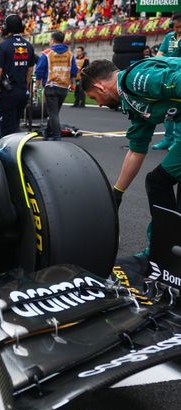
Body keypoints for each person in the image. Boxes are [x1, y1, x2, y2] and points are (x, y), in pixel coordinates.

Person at [81, 57, 181, 254]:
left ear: (100, 87)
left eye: (93, 98)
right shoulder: (131, 101)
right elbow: (136, 150)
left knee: (158, 182)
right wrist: (117, 193)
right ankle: (167, 249)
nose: (98, 104)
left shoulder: (135, 79)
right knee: (160, 181)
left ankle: (161, 249)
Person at [0, 14, 36, 137]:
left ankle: (8, 154)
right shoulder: (29, 46)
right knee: (15, 124)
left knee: (6, 129)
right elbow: (30, 71)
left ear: (6, 27)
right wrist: (25, 86)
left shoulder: (2, 47)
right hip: (22, 92)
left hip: (8, 94)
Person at [34, 31, 77, 141]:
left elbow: (39, 70)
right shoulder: (70, 54)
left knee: (53, 113)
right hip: (64, 86)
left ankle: (57, 137)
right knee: (55, 112)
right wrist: (72, 83)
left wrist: (36, 85)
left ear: (53, 40)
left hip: (51, 86)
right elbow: (73, 71)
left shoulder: (47, 53)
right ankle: (47, 134)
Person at [153, 12, 181, 150]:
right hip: (166, 76)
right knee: (167, 108)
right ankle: (167, 139)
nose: (178, 30)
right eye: (176, 27)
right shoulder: (169, 37)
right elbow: (159, 55)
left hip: (179, 78)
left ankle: (177, 141)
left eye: (180, 27)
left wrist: (168, 60)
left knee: (179, 109)